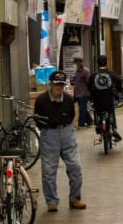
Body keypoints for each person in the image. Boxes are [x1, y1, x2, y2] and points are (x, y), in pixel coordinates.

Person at [33, 71, 85, 212]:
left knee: (75, 166)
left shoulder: (68, 99)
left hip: (67, 133)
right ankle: (52, 201)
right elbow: (37, 119)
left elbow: (72, 115)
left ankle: (75, 198)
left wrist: (67, 128)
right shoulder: (41, 100)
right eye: (56, 85)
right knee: (49, 170)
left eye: (61, 85)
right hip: (49, 135)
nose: (59, 88)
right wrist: (47, 130)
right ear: (50, 84)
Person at [88, 55, 123, 140]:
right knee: (111, 111)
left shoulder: (93, 75)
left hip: (97, 102)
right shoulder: (112, 74)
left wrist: (92, 95)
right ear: (106, 62)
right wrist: (119, 91)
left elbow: (88, 86)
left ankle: (98, 126)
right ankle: (114, 128)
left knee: (96, 111)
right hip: (109, 102)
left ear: (97, 63)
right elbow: (119, 82)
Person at [71, 57, 93, 128]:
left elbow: (89, 82)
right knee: (82, 108)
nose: (75, 64)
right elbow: (75, 80)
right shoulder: (77, 71)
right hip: (77, 93)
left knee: (82, 109)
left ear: (79, 63)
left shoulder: (85, 72)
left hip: (83, 93)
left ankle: (81, 124)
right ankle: (90, 121)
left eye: (75, 63)